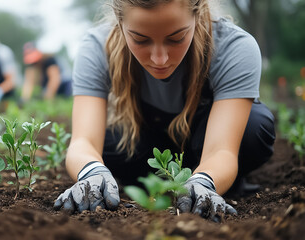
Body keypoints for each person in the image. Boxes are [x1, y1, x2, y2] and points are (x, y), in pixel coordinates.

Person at [53, 0, 275, 222]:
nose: (160, 59)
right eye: (140, 39)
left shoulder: (234, 46)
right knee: (108, 144)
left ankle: (211, 183)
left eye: (176, 38)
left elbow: (222, 151)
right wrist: (92, 172)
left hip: (203, 146)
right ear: (120, 22)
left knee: (253, 128)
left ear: (197, 15)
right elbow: (84, 142)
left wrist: (206, 181)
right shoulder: (96, 46)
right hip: (143, 148)